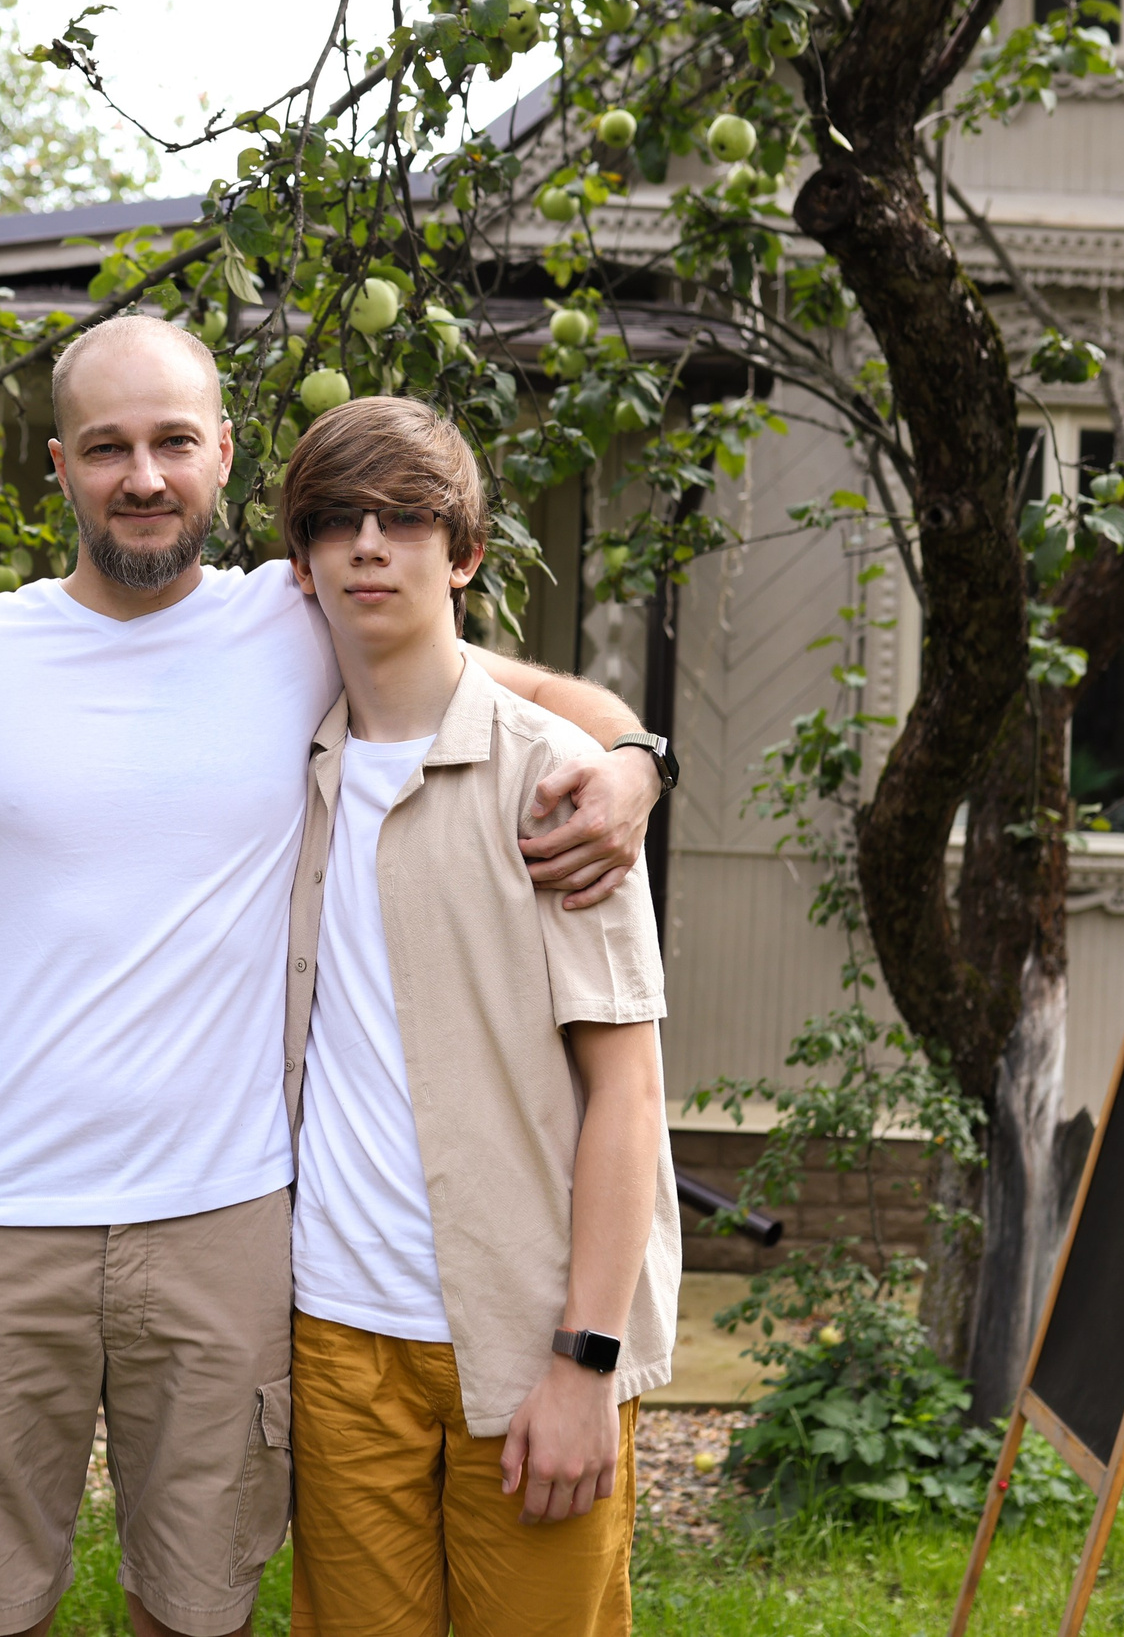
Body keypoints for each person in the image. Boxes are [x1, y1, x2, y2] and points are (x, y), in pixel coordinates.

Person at [0, 314, 674, 1637]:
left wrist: (634, 761)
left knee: (202, 1603)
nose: (145, 475)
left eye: (175, 440)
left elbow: (505, 691)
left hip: (224, 1215)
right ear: (59, 464)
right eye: (107, 446)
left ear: (224, 455)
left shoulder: (296, 621)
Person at [275, 397, 683, 1637]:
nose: (367, 545)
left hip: (526, 1340)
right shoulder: (282, 759)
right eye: (337, 523)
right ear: (299, 565)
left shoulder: (555, 780)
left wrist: (586, 1360)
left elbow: (629, 1093)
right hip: (338, 1336)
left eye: (405, 520)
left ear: (462, 555)